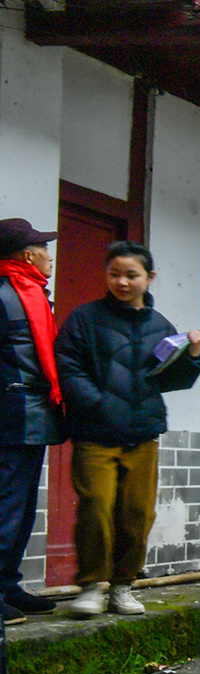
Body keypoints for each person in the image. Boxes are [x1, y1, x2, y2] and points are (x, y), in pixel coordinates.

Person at [58, 243, 200, 617]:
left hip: (143, 434)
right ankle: (91, 586)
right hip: (95, 434)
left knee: (137, 514)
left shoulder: (160, 326)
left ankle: (122, 586)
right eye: (114, 274)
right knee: (95, 507)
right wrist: (99, 404)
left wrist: (194, 355)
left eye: (131, 275)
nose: (122, 282)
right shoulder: (84, 319)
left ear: (149, 277)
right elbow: (68, 367)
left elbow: (170, 380)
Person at [0, 220, 66, 622]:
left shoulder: (31, 294)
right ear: (28, 255)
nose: (50, 256)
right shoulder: (6, 295)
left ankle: (8, 585)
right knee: (6, 506)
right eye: (44, 248)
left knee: (22, 509)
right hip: (11, 417)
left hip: (31, 416)